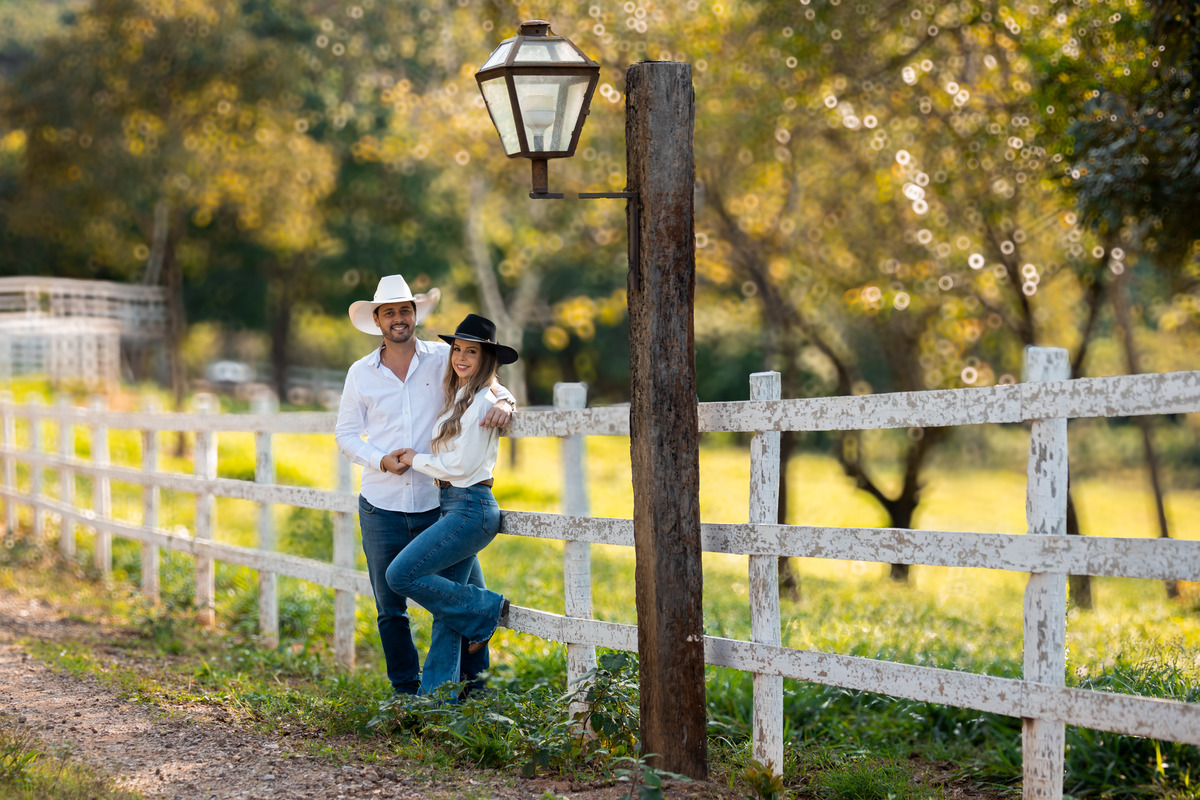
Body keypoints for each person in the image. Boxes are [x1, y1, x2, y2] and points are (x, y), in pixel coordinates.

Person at [335, 275, 514, 696]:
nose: (398, 318)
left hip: (440, 503)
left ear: (415, 314)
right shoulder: (360, 373)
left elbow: (485, 377)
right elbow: (345, 434)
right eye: (389, 312)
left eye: (405, 310)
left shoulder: (442, 357)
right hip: (381, 503)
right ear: (377, 320)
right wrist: (380, 459)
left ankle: (474, 691)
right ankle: (406, 693)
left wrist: (506, 401)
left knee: (460, 595)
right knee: (390, 607)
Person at [387, 313, 516, 694]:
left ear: (486, 358)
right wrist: (505, 396)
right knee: (447, 610)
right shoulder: (461, 397)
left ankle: (484, 610)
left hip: (470, 508)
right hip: (453, 505)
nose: (460, 357)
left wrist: (416, 459)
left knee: (401, 575)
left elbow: (460, 466)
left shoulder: (483, 401)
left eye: (471, 352)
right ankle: (439, 701)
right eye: (457, 349)